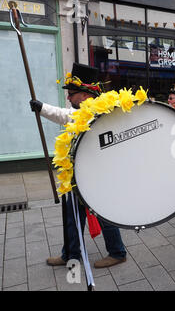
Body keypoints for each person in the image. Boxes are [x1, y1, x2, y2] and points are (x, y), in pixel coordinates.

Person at [29, 63, 127, 268]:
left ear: (84, 95)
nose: (68, 97)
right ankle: (71, 254)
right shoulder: (82, 111)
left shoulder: (99, 112)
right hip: (76, 175)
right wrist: (41, 107)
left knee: (103, 213)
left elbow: (69, 116)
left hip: (97, 176)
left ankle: (117, 252)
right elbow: (66, 115)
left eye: (71, 93)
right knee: (72, 217)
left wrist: (42, 108)